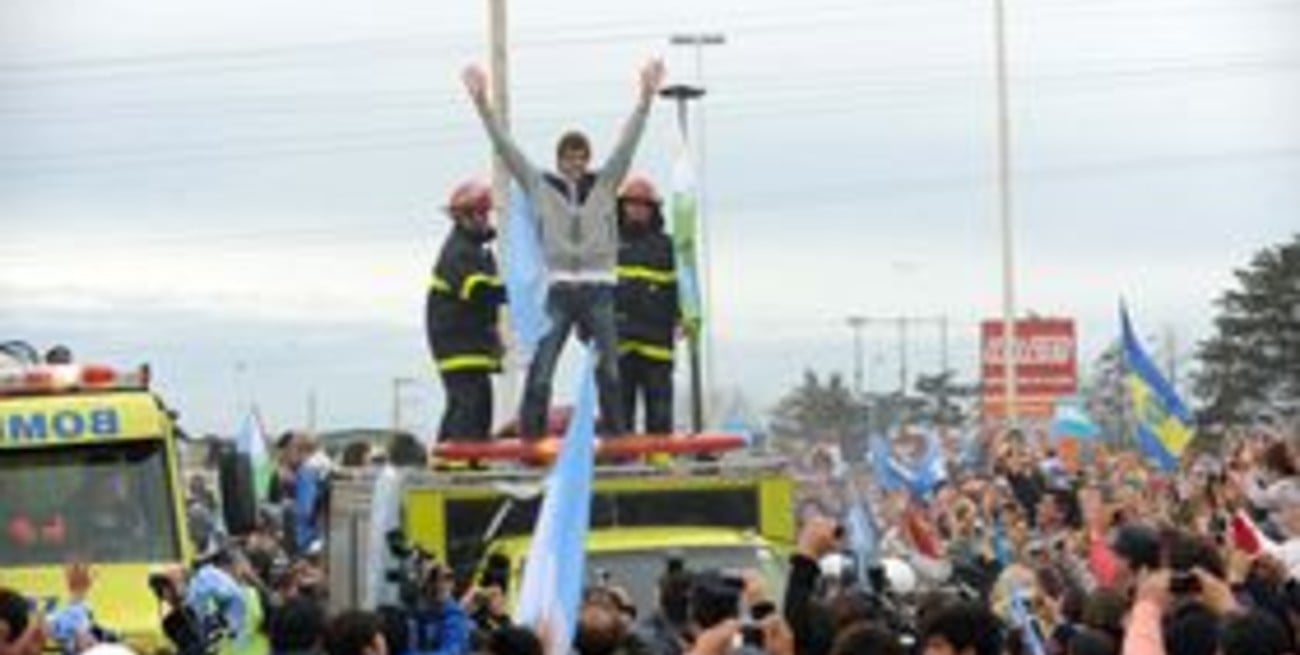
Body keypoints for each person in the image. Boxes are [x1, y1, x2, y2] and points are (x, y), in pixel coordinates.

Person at [462, 58, 666, 438]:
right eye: (567, 157)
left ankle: (618, 437)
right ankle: (531, 437)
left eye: (580, 157)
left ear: (587, 159)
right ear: (558, 161)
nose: (574, 164)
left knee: (609, 369)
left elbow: (628, 143)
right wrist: (482, 104)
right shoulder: (541, 187)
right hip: (559, 291)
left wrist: (645, 99)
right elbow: (507, 149)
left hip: (599, 290)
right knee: (542, 368)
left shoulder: (605, 185)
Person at [425, 180, 507, 443]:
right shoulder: (459, 251)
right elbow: (479, 292)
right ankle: (456, 461)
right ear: (460, 217)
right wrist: (519, 293)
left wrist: (494, 337)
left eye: (484, 213)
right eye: (477, 213)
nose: (482, 219)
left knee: (478, 402)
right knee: (468, 402)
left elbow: (487, 305)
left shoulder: (478, 250)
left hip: (472, 340)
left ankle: (464, 458)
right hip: (456, 342)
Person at [614, 176, 679, 436]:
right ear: (622, 207)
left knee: (660, 410)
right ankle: (622, 464)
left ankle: (660, 463)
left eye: (644, 204)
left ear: (653, 209)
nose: (638, 209)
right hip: (619, 343)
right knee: (618, 412)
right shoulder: (607, 245)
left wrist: (685, 316)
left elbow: (681, 288)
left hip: (657, 344)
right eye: (632, 204)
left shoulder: (668, 246)